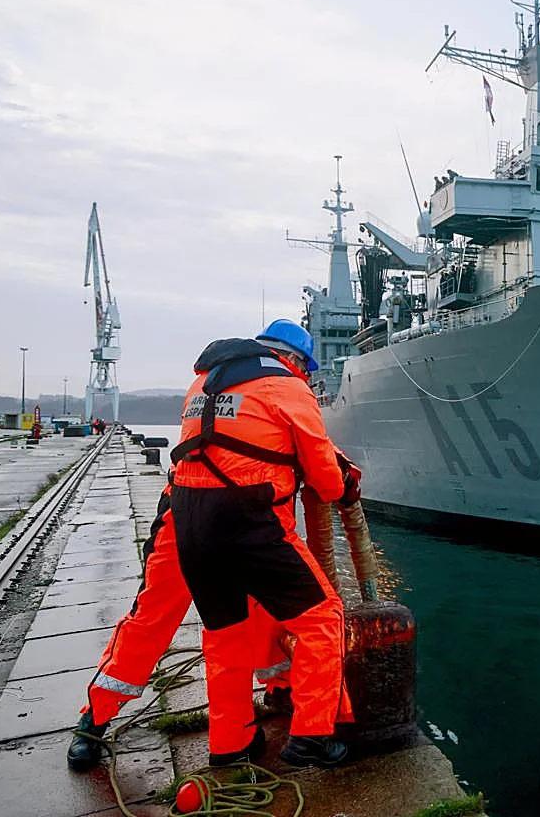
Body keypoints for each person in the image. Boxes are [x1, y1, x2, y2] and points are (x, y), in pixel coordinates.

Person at [168, 319, 357, 768]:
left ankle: (230, 743)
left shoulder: (202, 382)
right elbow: (327, 482)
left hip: (190, 521)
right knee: (323, 620)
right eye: (306, 368)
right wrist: (341, 484)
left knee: (224, 634)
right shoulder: (286, 387)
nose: (307, 377)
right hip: (249, 520)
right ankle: (312, 736)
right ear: (293, 360)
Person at [65, 484, 300, 770]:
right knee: (152, 615)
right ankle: (96, 716)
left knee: (265, 606)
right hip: (189, 505)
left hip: (255, 509)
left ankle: (281, 689)